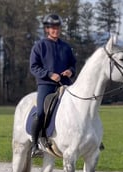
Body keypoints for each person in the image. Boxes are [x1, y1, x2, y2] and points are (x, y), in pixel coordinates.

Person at [29, 13, 77, 157]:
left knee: (80, 108)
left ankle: (90, 140)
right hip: (47, 85)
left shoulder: (66, 47)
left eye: (58, 27)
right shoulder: (39, 46)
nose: (56, 30)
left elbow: (73, 64)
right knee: (41, 113)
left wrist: (70, 71)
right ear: (47, 29)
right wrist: (50, 74)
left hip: (65, 84)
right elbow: (34, 67)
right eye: (53, 28)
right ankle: (35, 144)